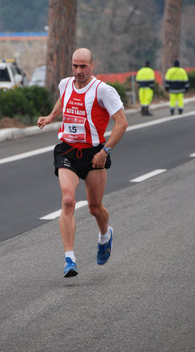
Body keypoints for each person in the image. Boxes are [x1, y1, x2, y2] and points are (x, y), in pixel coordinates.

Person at [37, 48, 128, 277]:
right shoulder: (65, 83)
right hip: (67, 149)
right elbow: (62, 100)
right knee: (68, 201)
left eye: (83, 66)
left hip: (94, 154)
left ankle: (105, 235)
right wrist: (51, 116)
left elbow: (122, 123)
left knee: (95, 208)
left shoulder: (103, 91)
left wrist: (105, 151)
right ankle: (70, 259)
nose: (78, 71)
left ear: (92, 66)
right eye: (75, 66)